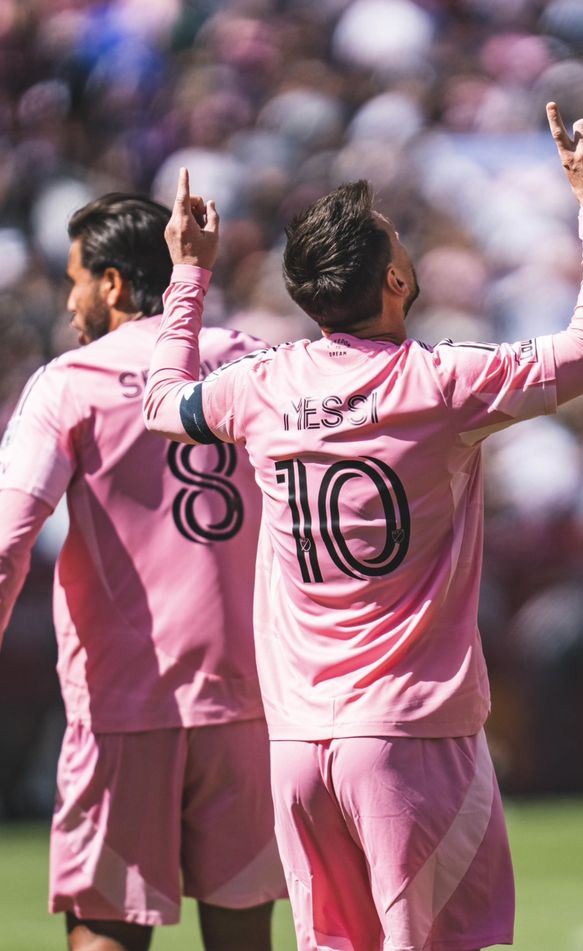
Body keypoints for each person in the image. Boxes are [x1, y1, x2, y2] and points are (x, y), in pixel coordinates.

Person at [143, 100, 583, 950]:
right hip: (411, 735)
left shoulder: (258, 386)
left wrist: (188, 275)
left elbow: (159, 404)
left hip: (296, 746)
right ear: (397, 283)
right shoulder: (441, 386)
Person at [0, 194, 285, 951]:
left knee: (106, 931)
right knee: (243, 932)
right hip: (249, 697)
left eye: (75, 280)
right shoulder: (254, 357)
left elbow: (6, 539)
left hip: (125, 702)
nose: (69, 302)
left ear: (116, 285)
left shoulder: (71, 380)